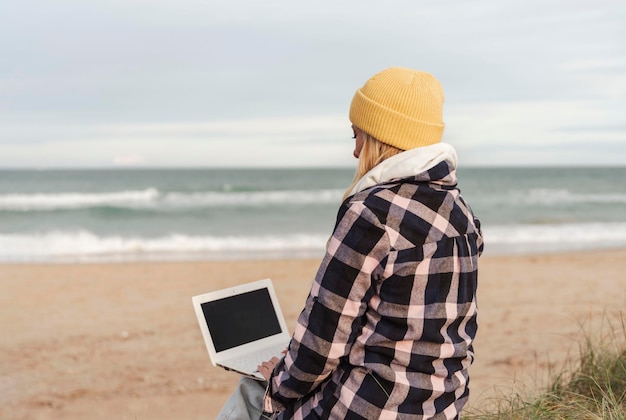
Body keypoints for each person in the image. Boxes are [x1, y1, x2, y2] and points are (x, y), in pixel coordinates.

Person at [218, 66, 483, 419]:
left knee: (252, 392)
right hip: (440, 407)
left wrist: (278, 383)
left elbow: (324, 340)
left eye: (357, 135)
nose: (356, 152)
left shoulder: (372, 212)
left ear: (381, 137)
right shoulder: (460, 212)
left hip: (368, 409)